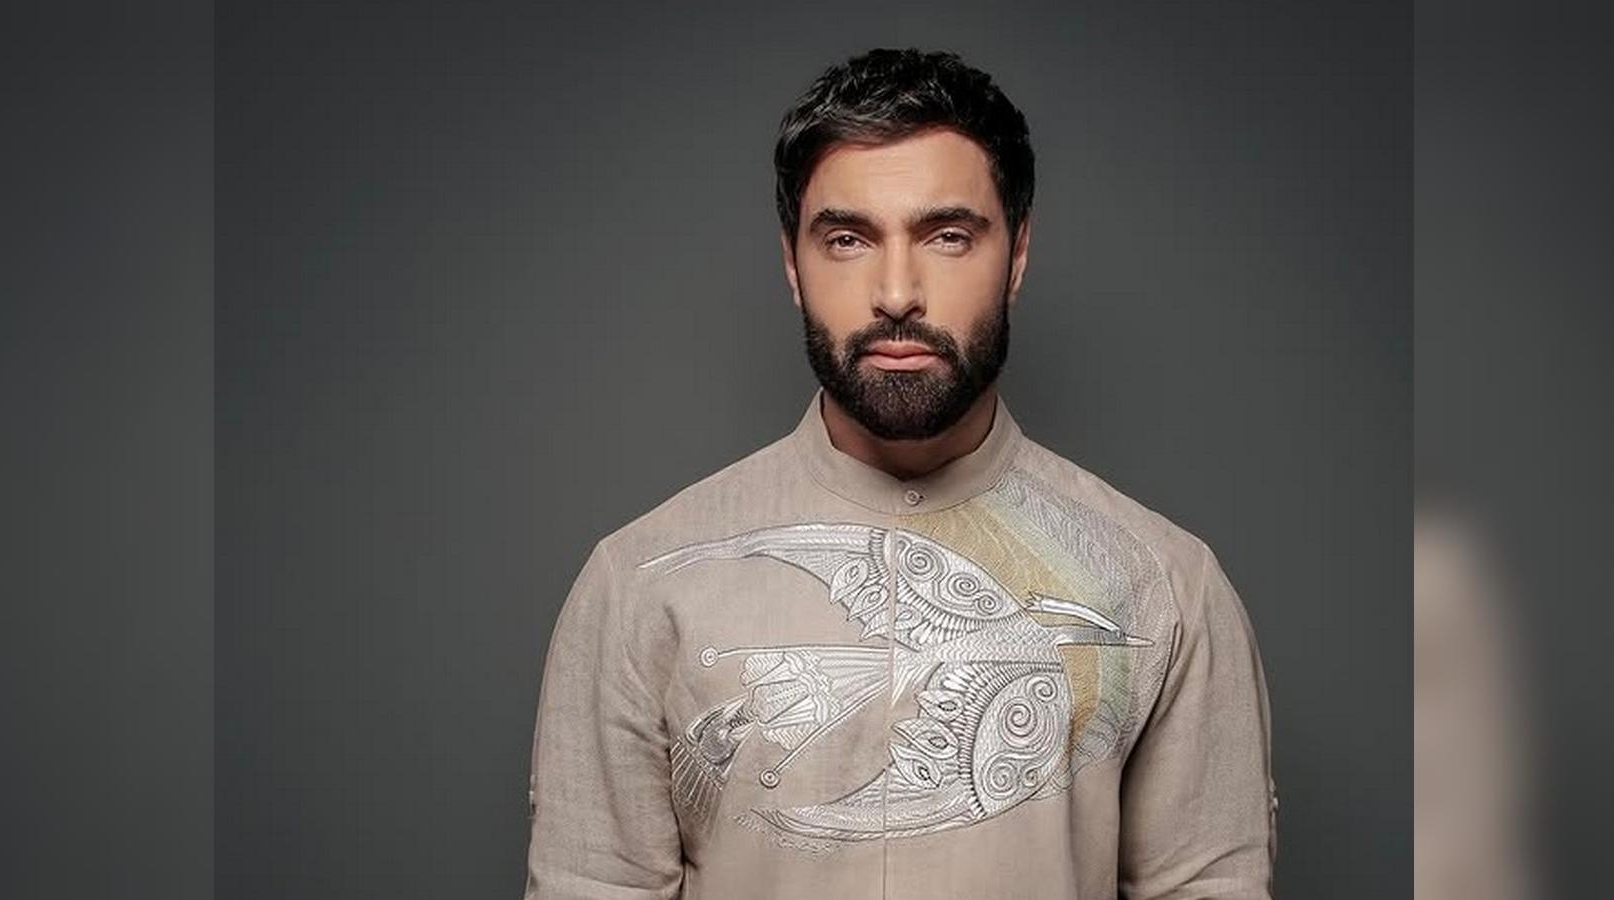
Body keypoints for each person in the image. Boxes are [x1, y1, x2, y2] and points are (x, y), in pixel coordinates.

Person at [522, 47, 1276, 900]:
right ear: (792, 265)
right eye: (847, 239)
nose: (895, 292)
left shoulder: (1164, 588)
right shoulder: (639, 586)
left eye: (947, 236)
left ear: (1017, 255)